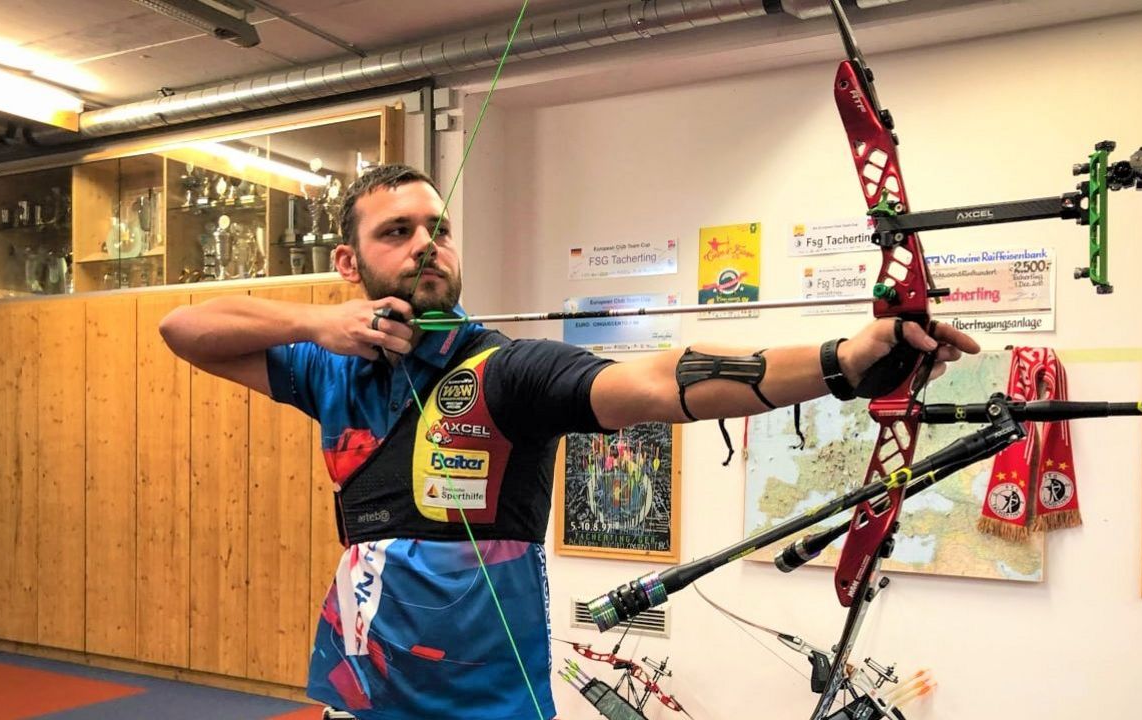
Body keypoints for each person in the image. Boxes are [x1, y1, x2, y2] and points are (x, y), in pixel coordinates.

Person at [159, 164, 979, 720]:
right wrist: (318, 322)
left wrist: (845, 361)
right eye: (397, 232)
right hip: (360, 681)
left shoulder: (507, 371)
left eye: (438, 230)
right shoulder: (329, 370)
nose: (424, 247)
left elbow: (661, 383)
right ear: (350, 261)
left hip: (483, 699)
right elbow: (183, 327)